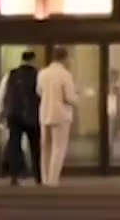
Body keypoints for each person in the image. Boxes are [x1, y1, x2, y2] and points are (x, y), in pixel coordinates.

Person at [0, 49, 40, 185]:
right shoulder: (38, 75)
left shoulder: (11, 74)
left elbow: (2, 94)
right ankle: (38, 175)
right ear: (33, 60)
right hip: (33, 114)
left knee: (14, 143)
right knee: (35, 145)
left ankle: (14, 175)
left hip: (14, 114)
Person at [37, 47, 77, 187]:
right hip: (61, 114)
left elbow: (39, 91)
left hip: (44, 113)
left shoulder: (43, 73)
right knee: (58, 147)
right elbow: (69, 97)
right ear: (64, 58)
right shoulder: (65, 74)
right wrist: (78, 100)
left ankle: (45, 178)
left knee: (45, 147)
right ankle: (53, 180)